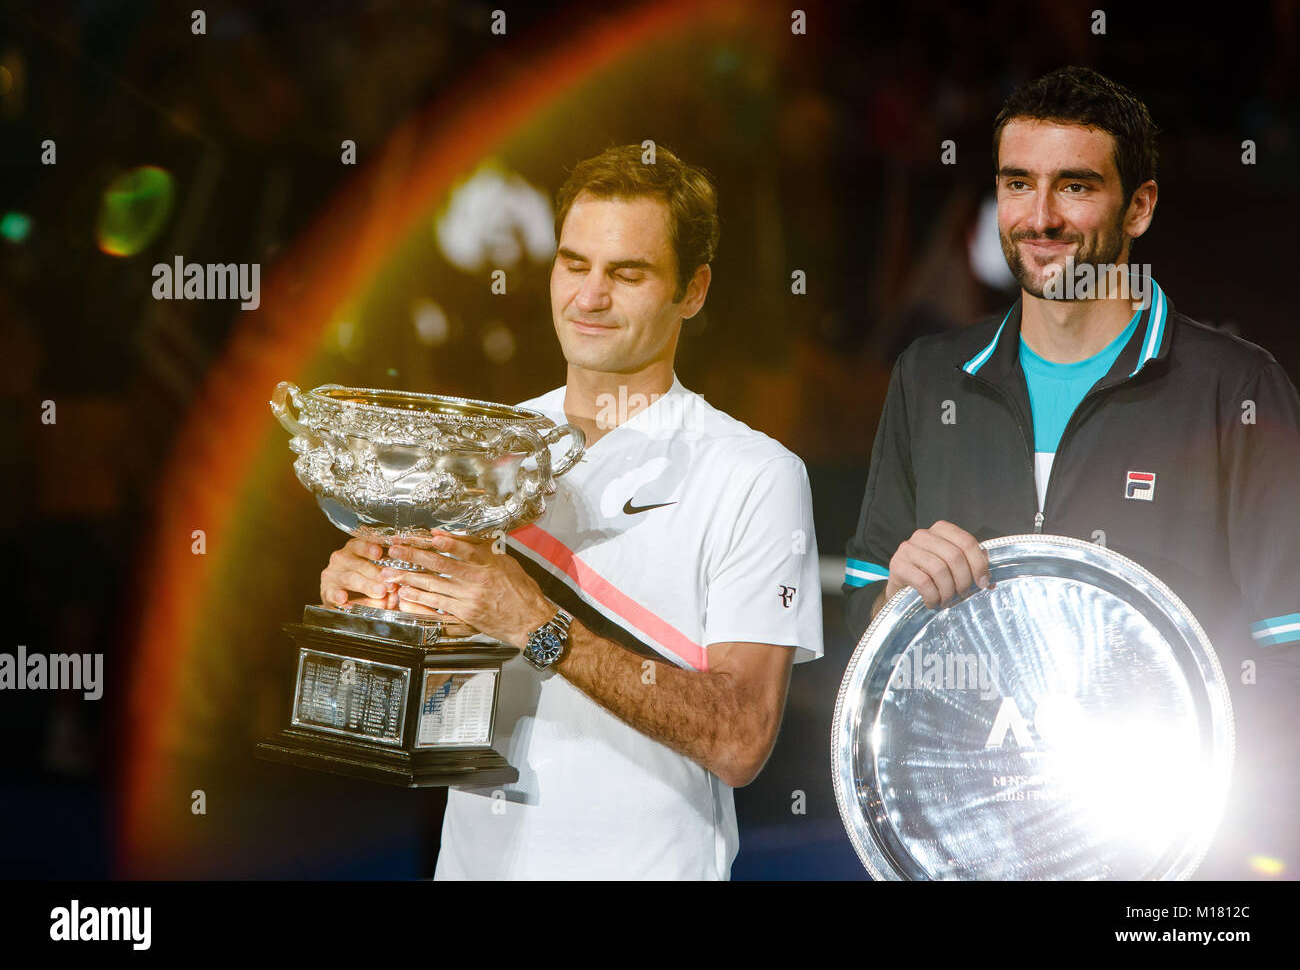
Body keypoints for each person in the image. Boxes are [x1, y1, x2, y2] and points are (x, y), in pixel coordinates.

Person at [843, 66, 1300, 877]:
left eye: (1075, 186)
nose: (1040, 217)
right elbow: (863, 624)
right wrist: (890, 598)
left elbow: (1289, 654)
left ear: (1140, 206)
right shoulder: (930, 376)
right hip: (972, 848)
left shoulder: (1234, 385)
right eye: (1018, 183)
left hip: (1181, 865)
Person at [321, 144, 824, 879]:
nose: (588, 296)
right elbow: (418, 713)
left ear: (694, 290)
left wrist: (535, 624)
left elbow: (740, 739)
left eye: (627, 273)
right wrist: (373, 607)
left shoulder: (754, 475)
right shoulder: (475, 450)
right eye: (573, 263)